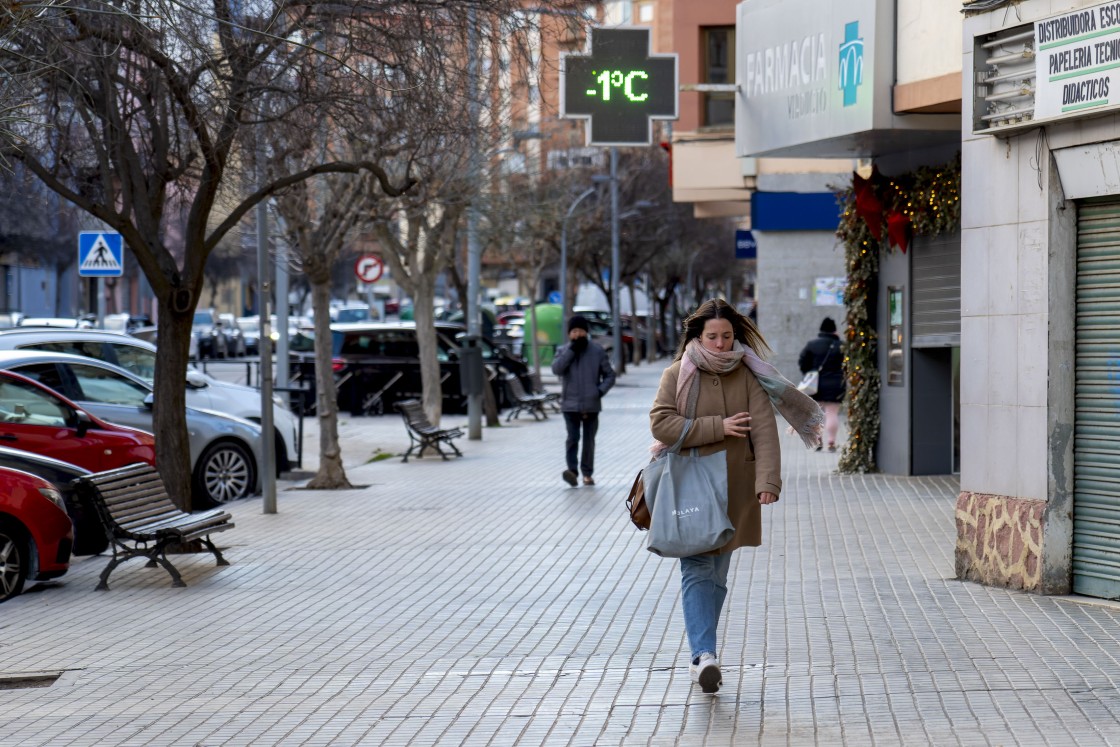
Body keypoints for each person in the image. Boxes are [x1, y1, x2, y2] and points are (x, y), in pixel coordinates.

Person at [649, 299, 822, 694]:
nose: (721, 343)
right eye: (713, 336)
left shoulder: (747, 375)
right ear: (698, 336)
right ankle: (703, 655)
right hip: (691, 484)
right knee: (696, 567)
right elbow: (661, 423)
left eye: (727, 335)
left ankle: (703, 650)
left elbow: (764, 429)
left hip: (736, 487)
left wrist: (768, 482)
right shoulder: (677, 374)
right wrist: (718, 426)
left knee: (718, 574)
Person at [552, 315, 616, 487]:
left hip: (591, 405)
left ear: (586, 332)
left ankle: (587, 474)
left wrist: (598, 392)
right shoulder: (563, 350)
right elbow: (557, 369)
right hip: (569, 405)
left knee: (589, 441)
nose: (577, 334)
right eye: (573, 331)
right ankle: (572, 471)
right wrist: (571, 350)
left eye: (580, 331)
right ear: (569, 334)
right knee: (572, 438)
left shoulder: (597, 351)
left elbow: (610, 375)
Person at [798, 317, 845, 452]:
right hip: (836, 383)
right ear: (834, 330)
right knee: (832, 413)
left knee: (816, 414)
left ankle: (818, 440)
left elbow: (802, 361)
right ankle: (831, 442)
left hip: (816, 384)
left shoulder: (812, 344)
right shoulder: (840, 345)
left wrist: (809, 372)